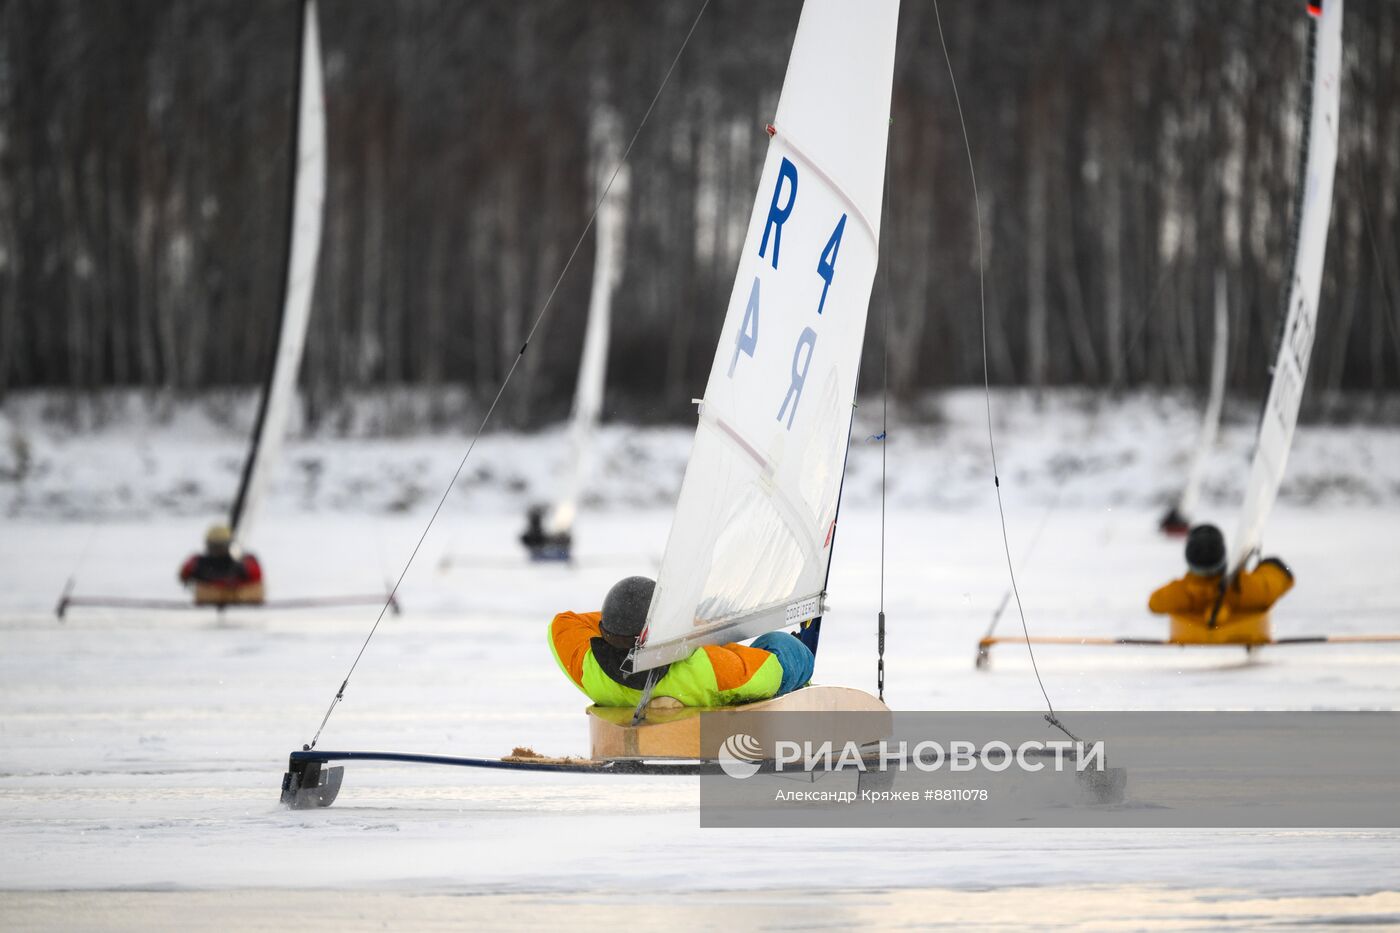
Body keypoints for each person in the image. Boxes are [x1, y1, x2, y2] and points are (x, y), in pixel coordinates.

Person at [549, 576, 815, 708]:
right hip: (710, 680)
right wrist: (692, 630)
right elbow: (771, 672)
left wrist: (632, 624)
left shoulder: (590, 669)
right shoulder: (708, 668)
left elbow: (563, 623)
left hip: (625, 682)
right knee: (779, 644)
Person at [1147, 524, 1294, 622]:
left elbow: (1153, 604)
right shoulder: (1247, 588)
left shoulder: (1178, 593)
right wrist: (1271, 564)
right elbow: (1284, 577)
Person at [179, 524, 262, 590]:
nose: (217, 551)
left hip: (239, 600)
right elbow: (184, 576)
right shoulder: (197, 563)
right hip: (207, 600)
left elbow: (256, 577)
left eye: (220, 547)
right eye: (214, 547)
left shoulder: (244, 563)